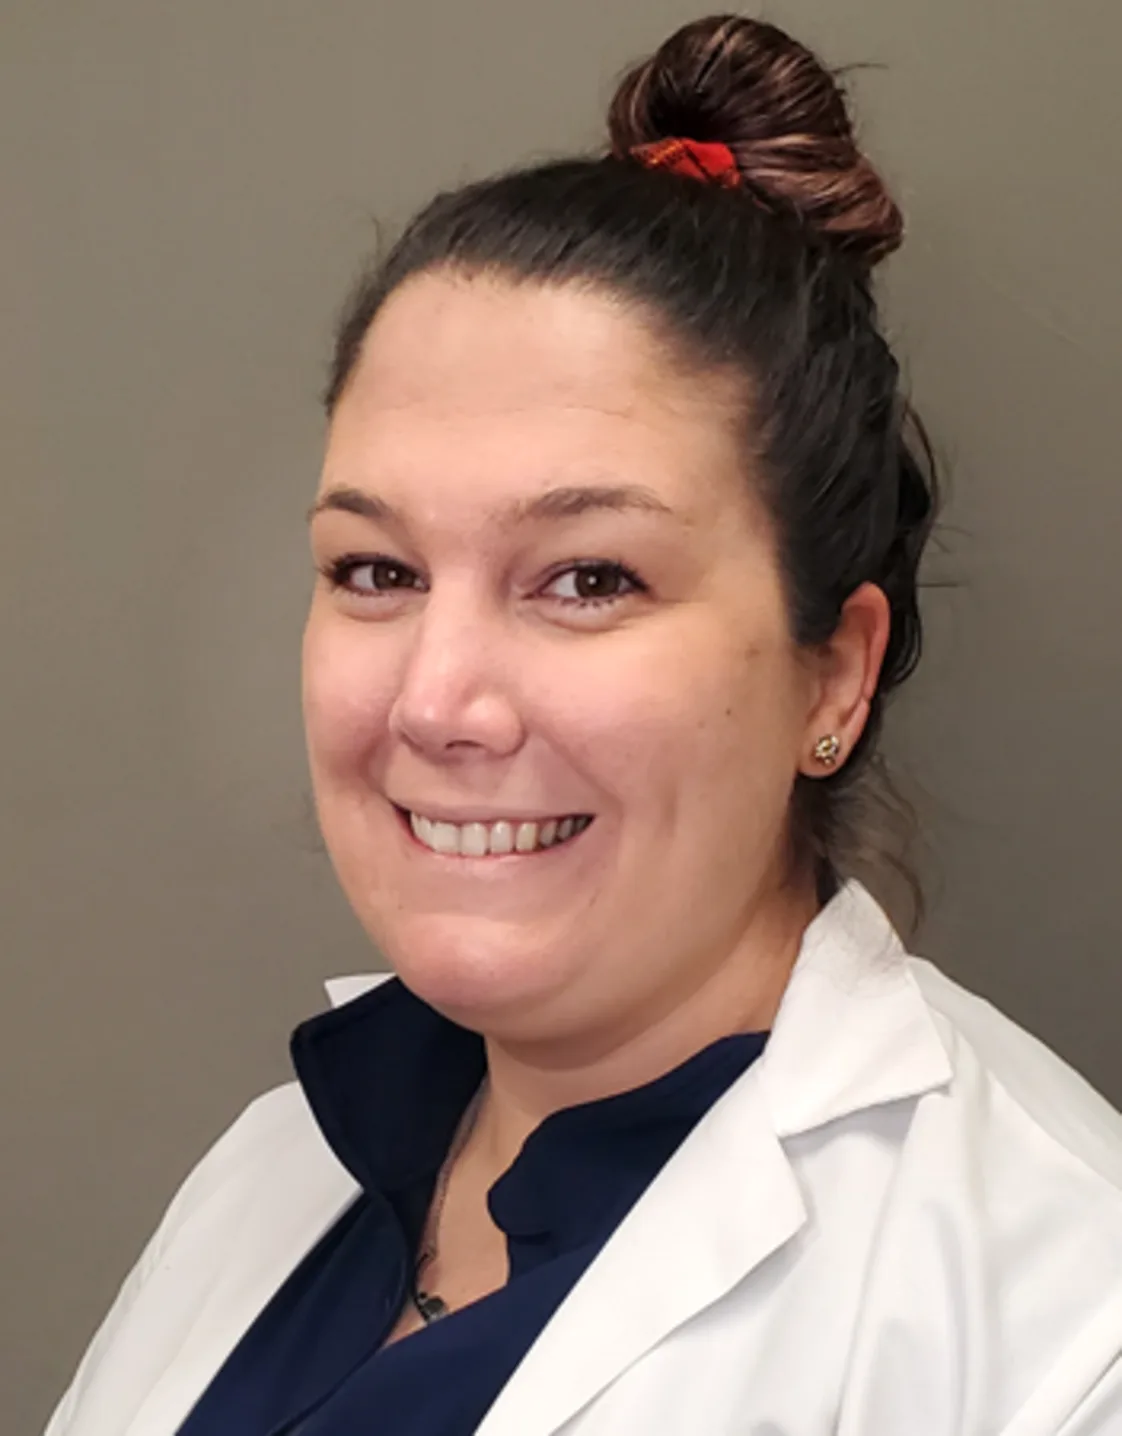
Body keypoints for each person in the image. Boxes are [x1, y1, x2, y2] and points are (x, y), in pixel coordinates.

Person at [44, 13, 1122, 1436]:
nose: (435, 701)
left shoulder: (1060, 1322)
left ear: (832, 679)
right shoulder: (284, 1165)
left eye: (589, 578)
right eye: (377, 571)